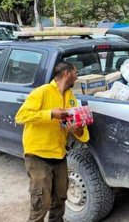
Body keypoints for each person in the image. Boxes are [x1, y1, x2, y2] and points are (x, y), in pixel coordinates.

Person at [15, 62, 90, 222]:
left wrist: (75, 129)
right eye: (76, 73)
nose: (77, 77)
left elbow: (81, 132)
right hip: (38, 155)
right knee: (41, 202)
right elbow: (21, 116)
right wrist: (50, 114)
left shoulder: (71, 98)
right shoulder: (41, 92)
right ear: (67, 74)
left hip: (59, 154)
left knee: (60, 199)